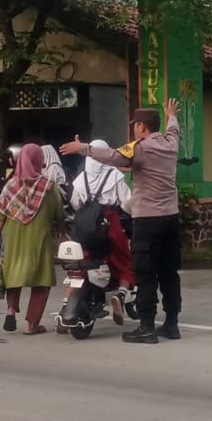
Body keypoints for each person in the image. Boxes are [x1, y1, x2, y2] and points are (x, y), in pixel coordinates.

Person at [62, 98, 181, 344]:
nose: (134, 129)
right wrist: (172, 115)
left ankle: (147, 326)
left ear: (141, 127)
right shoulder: (171, 144)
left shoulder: (139, 148)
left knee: (145, 272)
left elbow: (113, 156)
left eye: (135, 125)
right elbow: (174, 130)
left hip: (147, 219)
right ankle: (171, 324)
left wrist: (82, 147)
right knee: (169, 272)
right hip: (171, 217)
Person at [0, 144, 64, 336]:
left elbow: (0, 215)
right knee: (41, 281)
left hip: (13, 239)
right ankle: (32, 325)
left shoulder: (10, 186)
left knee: (14, 275)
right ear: (38, 160)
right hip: (39, 240)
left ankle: (10, 311)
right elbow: (59, 214)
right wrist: (63, 234)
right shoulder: (48, 186)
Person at [72, 138, 135, 322]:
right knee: (125, 263)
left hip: (84, 230)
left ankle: (70, 302)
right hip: (110, 225)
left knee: (83, 264)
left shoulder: (80, 179)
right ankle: (120, 295)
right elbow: (127, 202)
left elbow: (76, 204)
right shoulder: (114, 176)